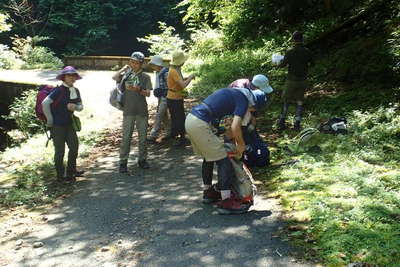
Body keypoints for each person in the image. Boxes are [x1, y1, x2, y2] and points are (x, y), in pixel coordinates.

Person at [185, 88, 267, 215]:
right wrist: (241, 145)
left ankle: (208, 193)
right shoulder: (243, 100)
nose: (251, 111)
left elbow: (228, 130)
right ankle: (226, 201)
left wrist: (232, 143)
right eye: (253, 110)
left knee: (208, 157)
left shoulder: (235, 93)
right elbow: (235, 127)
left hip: (191, 119)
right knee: (224, 161)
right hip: (201, 123)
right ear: (254, 104)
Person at [42, 66, 84, 182]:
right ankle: (60, 175)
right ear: (63, 77)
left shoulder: (75, 91)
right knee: (60, 151)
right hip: (57, 126)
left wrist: (75, 107)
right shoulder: (58, 90)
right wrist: (50, 120)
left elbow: (81, 106)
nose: (71, 77)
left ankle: (71, 171)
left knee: (74, 147)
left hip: (69, 124)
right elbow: (45, 103)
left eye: (73, 75)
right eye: (68, 75)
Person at [112, 51, 152, 173]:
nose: (134, 65)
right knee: (126, 138)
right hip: (128, 110)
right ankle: (123, 162)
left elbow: (148, 93)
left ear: (141, 64)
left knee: (143, 137)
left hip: (142, 110)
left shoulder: (145, 77)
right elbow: (114, 78)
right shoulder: (126, 75)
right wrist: (124, 68)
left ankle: (142, 160)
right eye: (132, 62)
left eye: (137, 63)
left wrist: (138, 89)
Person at [277, 31, 314, 131]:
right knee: (299, 101)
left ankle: (282, 122)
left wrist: (278, 63)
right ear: (302, 39)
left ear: (293, 40)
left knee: (286, 100)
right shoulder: (308, 51)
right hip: (303, 80)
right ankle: (297, 123)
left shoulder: (290, 51)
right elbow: (312, 63)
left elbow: (283, 65)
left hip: (291, 80)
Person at [167, 50, 195, 146]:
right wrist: (190, 78)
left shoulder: (175, 70)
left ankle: (181, 137)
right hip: (173, 98)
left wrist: (187, 78)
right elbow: (182, 85)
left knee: (180, 117)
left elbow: (178, 82)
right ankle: (177, 138)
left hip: (176, 97)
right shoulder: (174, 71)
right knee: (177, 118)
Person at [147, 55, 171, 142]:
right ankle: (169, 131)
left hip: (165, 97)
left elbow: (170, 85)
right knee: (164, 116)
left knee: (159, 115)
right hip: (161, 97)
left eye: (153, 65)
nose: (152, 66)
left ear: (158, 65)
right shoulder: (158, 72)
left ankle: (154, 134)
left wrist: (163, 92)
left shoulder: (165, 73)